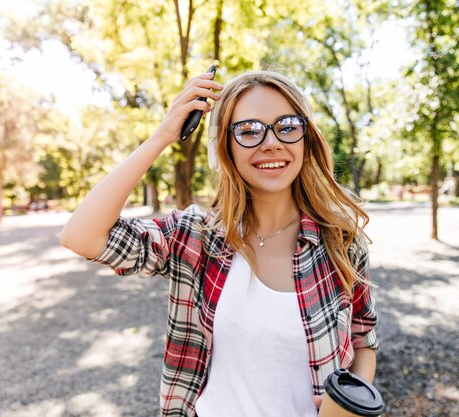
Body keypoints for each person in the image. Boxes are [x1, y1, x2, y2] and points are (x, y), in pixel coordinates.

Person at [60, 69, 378, 417]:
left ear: (306, 138)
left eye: (287, 126)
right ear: (224, 147)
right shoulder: (196, 236)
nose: (271, 142)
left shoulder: (341, 242)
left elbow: (363, 340)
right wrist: (161, 137)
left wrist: (352, 409)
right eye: (248, 131)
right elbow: (82, 236)